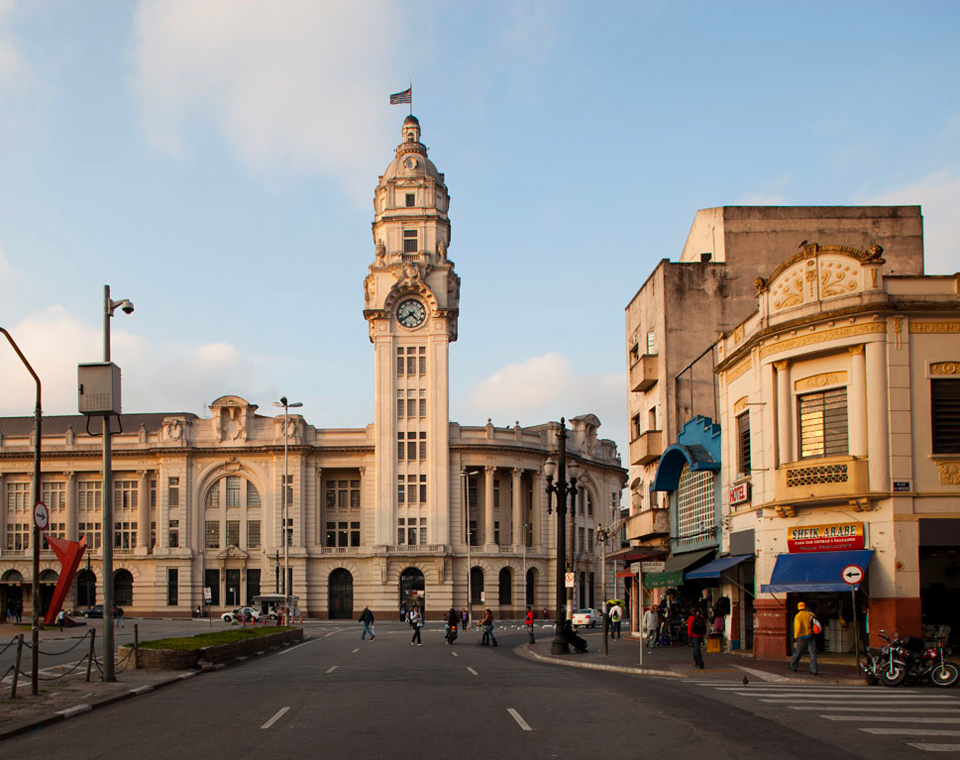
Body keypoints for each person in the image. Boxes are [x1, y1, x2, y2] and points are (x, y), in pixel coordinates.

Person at [789, 602, 818, 674]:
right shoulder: (810, 614)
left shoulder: (798, 616)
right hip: (811, 636)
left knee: (798, 652)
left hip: (802, 637)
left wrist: (796, 636)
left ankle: (793, 665)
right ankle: (814, 669)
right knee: (813, 653)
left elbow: (798, 627)